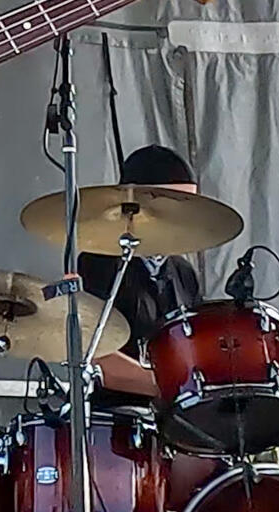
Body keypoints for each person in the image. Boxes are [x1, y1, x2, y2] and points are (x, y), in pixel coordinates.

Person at [79, 145, 204, 401]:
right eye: (175, 206)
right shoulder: (98, 263)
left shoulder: (183, 273)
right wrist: (170, 386)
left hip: (176, 420)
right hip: (117, 422)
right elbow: (92, 353)